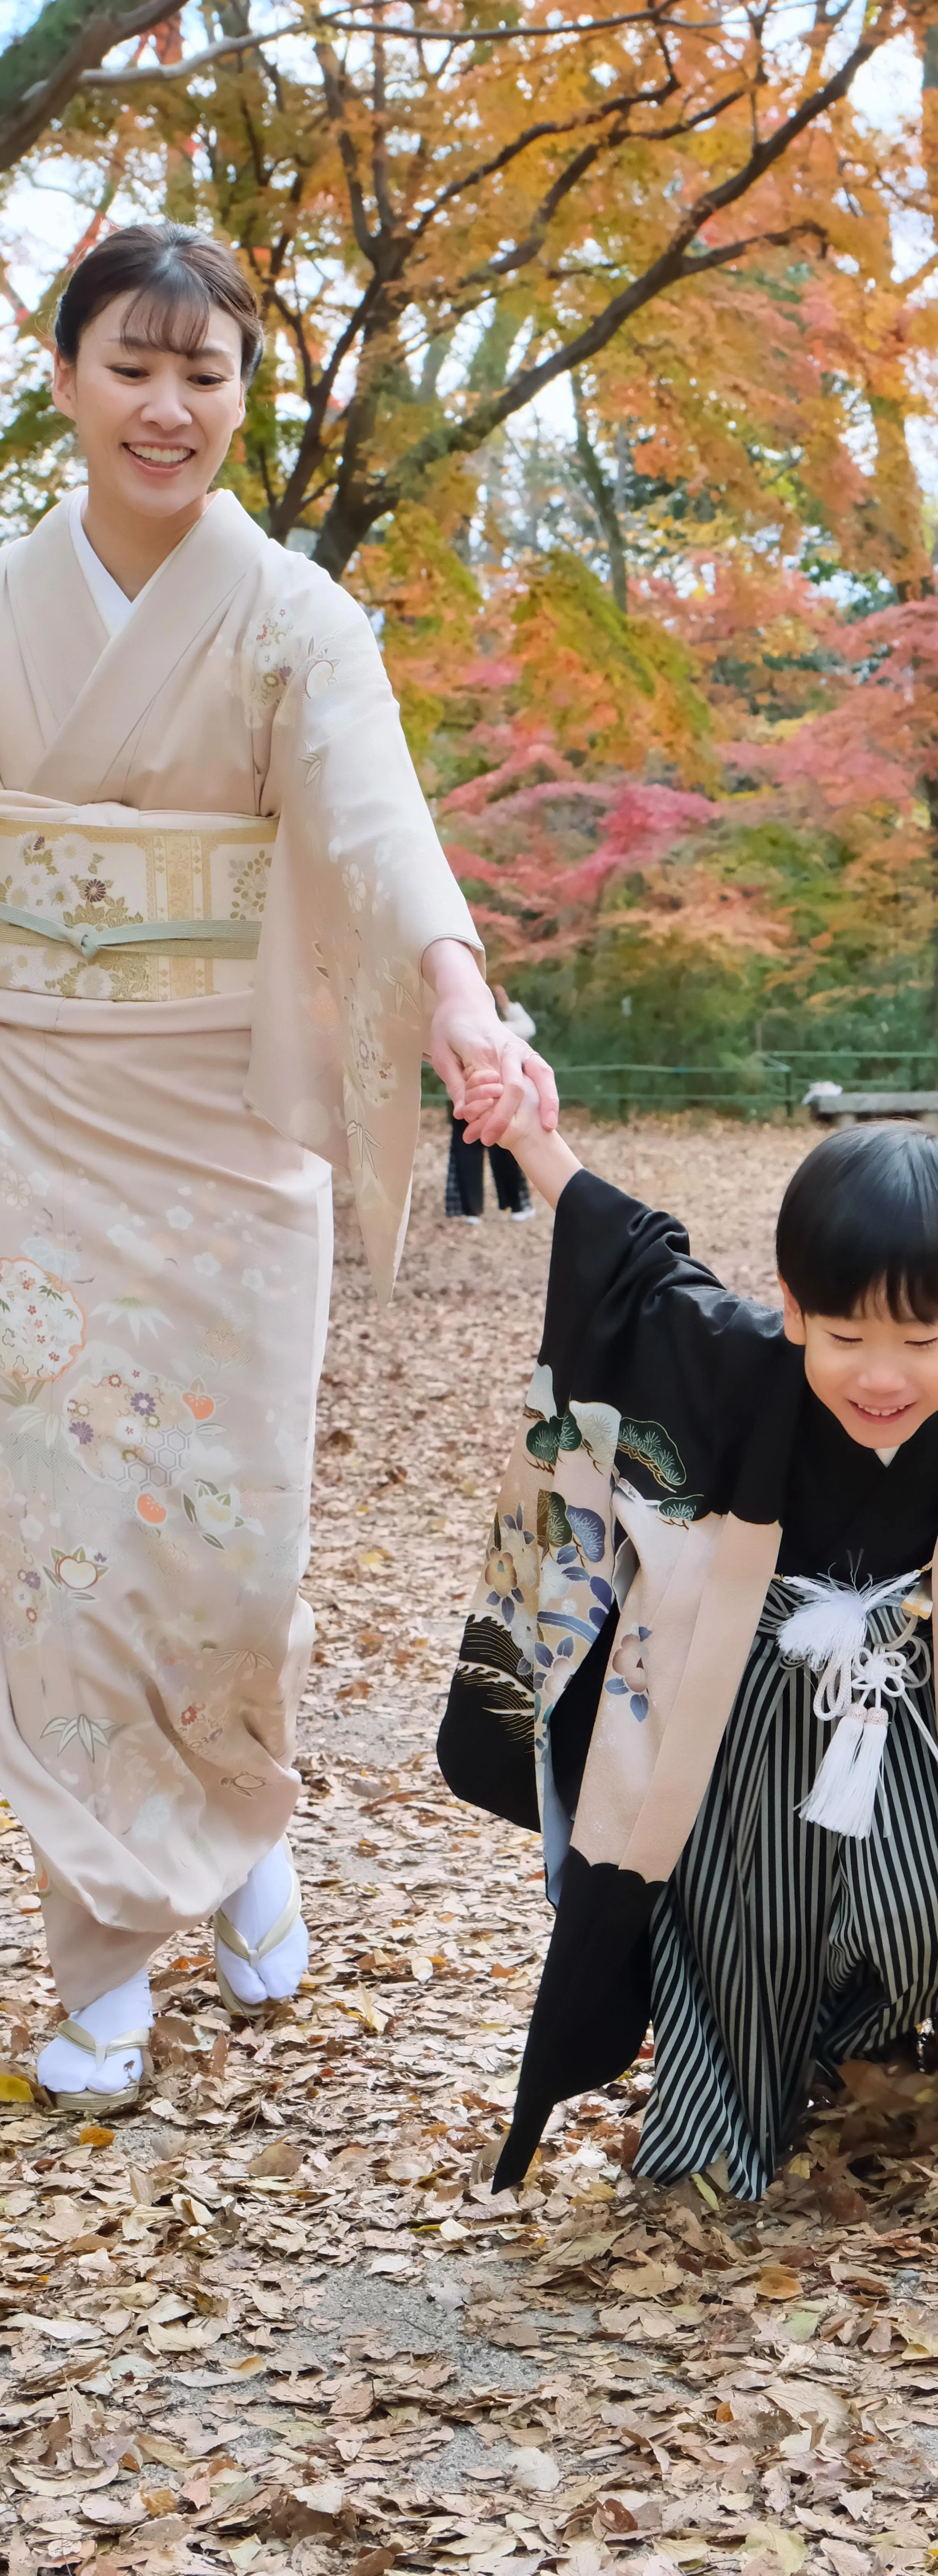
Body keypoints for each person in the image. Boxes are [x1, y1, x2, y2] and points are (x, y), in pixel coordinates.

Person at [0, 222, 554, 2116]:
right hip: (34, 1119)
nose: (169, 405)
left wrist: (461, 1001)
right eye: (132, 365)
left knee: (226, 1543)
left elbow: (376, 825)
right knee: (67, 1548)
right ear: (61, 371)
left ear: (243, 393)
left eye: (206, 372)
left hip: (230, 1139)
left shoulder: (297, 619)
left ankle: (240, 1823)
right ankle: (101, 1952)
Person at [437, 1098, 938, 2195]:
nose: (882, 1377)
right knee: (739, 1927)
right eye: (846, 1335)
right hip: (748, 1703)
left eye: (921, 1340)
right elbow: (631, 1264)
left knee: (929, 1912)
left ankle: (857, 2034)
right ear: (790, 1309)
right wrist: (533, 1135)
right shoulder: (735, 1356)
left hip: (922, 1701)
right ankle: (720, 2129)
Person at [445, 987, 536, 1220]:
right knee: (503, 1151)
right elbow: (528, 1028)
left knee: (471, 1150)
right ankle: (516, 1206)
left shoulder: (458, 1027)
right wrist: (508, 1007)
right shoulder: (500, 1030)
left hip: (472, 1095)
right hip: (490, 1094)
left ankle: (471, 1210)